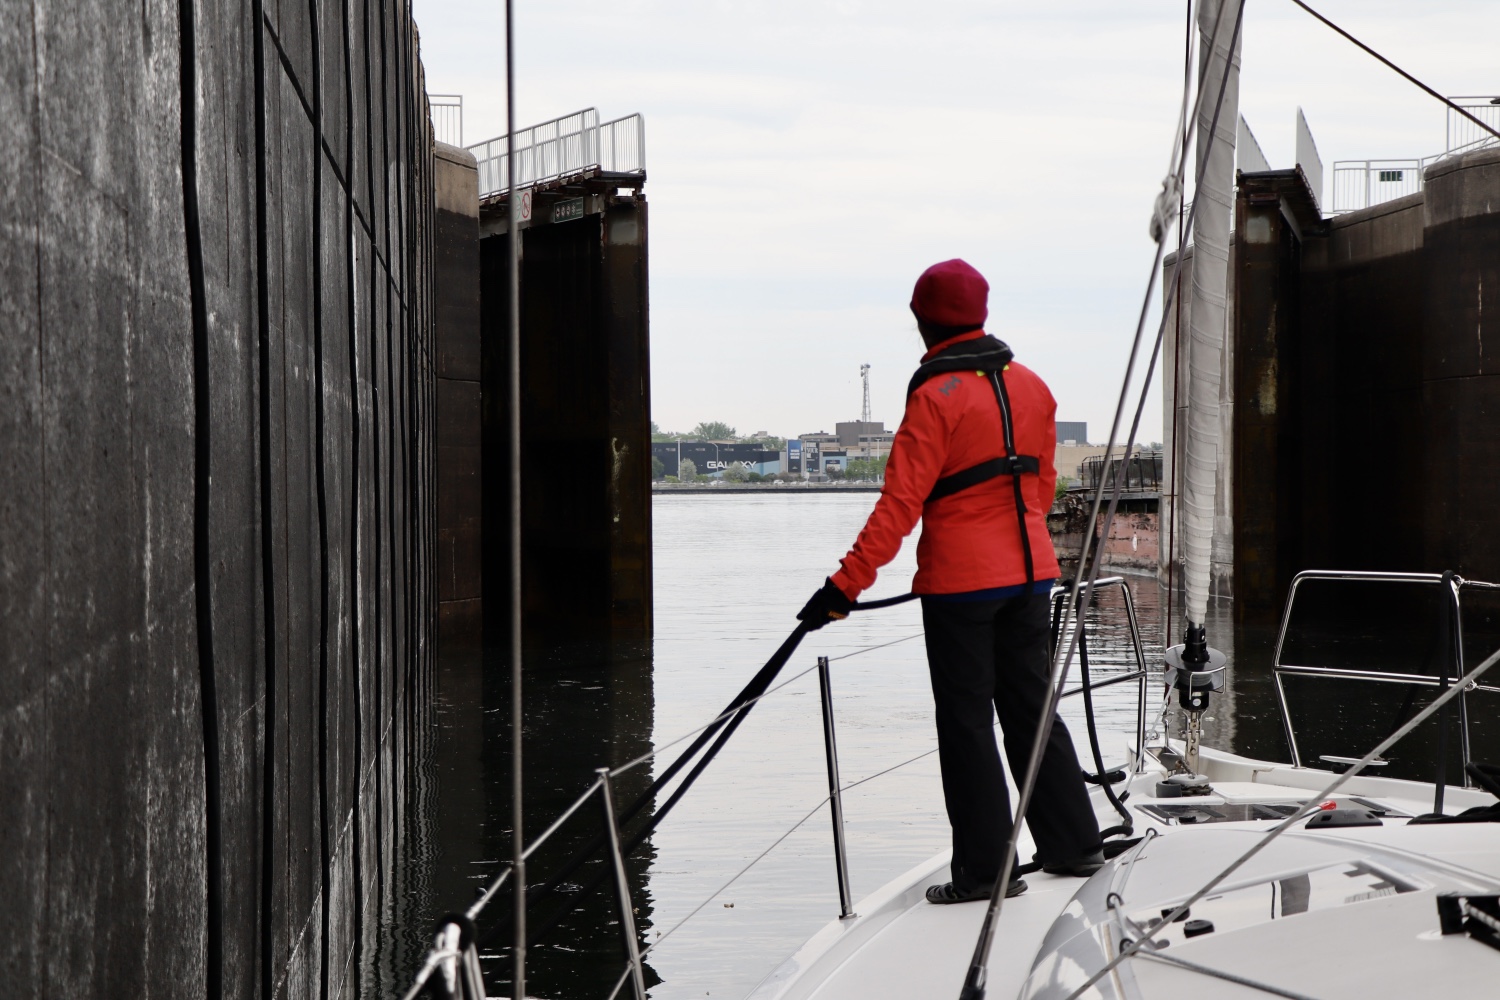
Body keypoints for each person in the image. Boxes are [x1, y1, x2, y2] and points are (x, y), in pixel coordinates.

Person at [797, 259, 1103, 904]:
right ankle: (1075, 844)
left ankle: (987, 873)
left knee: (966, 723)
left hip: (962, 586)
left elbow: (899, 505)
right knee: (1031, 711)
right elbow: (1041, 488)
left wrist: (844, 587)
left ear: (922, 320)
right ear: (982, 314)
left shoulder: (935, 396)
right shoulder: (1035, 388)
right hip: (1031, 577)